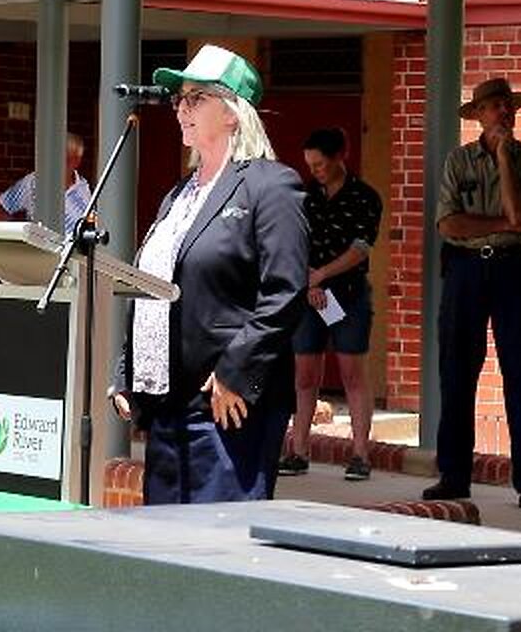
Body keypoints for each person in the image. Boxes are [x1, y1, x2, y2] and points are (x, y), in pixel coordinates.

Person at [108, 44, 308, 504]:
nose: (181, 108)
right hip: (168, 408)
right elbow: (151, 286)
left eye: (196, 98)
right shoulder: (180, 195)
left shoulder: (271, 186)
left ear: (233, 113)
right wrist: (129, 371)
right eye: (179, 99)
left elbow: (285, 292)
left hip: (228, 406)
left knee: (220, 549)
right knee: (168, 551)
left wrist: (236, 371)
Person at [424, 77, 521, 510]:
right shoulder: (457, 161)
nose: (504, 113)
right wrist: (504, 224)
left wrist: (502, 158)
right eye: (494, 107)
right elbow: (448, 226)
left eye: (507, 106)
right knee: (457, 373)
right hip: (465, 270)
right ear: (477, 115)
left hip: (515, 270)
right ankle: (453, 475)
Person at [278, 127, 383, 481]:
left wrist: (322, 274)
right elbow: (293, 243)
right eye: (311, 165)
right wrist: (309, 283)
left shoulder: (365, 197)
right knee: (305, 375)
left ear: (341, 156)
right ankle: (298, 450)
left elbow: (361, 247)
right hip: (310, 294)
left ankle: (360, 454)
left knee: (353, 373)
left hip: (348, 292)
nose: (316, 171)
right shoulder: (305, 197)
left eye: (321, 164)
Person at [0, 132, 91, 233]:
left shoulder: (84, 189)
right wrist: (21, 233)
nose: (58, 164)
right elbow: (0, 208)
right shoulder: (33, 181)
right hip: (38, 247)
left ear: (77, 161)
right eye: (55, 157)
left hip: (72, 248)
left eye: (66, 159)